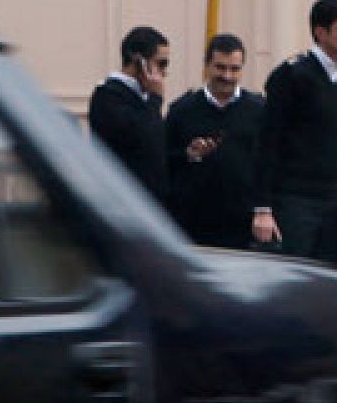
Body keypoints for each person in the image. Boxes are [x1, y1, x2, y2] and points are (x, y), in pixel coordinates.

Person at [251, 0, 337, 264]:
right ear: (320, 32)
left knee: (327, 276)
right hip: (294, 198)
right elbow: (268, 142)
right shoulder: (292, 75)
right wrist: (263, 208)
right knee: (293, 273)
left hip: (333, 200)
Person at [164, 32, 264, 250]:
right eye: (220, 67)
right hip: (192, 226)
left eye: (234, 69)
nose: (227, 75)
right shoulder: (182, 110)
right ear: (207, 66)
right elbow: (164, 162)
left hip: (243, 227)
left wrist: (264, 210)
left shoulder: (259, 111)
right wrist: (189, 155)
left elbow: (270, 164)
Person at [89, 25, 170, 202]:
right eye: (160, 64)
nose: (164, 72)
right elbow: (141, 135)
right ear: (139, 60)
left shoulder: (144, 99)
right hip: (122, 201)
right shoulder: (108, 96)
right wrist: (156, 99)